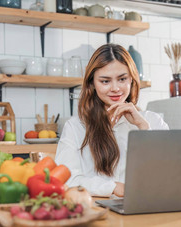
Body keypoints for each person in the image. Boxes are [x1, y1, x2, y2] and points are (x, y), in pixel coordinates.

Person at [55, 44, 169, 197]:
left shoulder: (152, 121)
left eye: (122, 79)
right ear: (92, 84)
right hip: (96, 211)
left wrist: (143, 128)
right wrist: (112, 187)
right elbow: (67, 179)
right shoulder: (76, 127)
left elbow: (168, 173)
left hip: (146, 209)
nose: (115, 88)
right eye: (105, 81)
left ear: (132, 80)